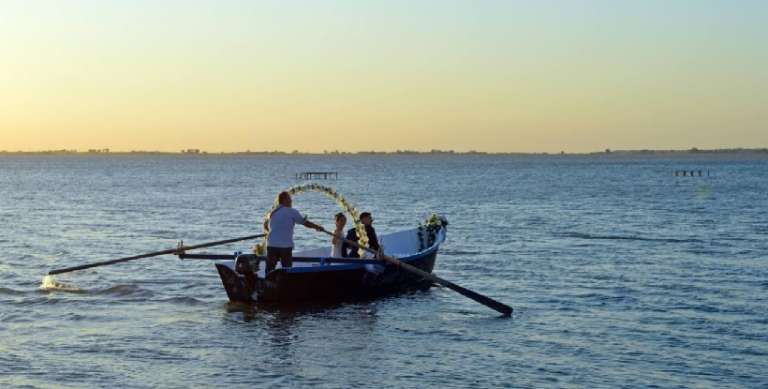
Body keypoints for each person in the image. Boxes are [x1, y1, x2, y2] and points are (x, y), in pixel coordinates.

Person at [264, 191, 323, 274]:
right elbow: (305, 223)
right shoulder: (291, 211)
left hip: (271, 244)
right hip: (285, 246)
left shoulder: (273, 212)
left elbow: (265, 226)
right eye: (289, 199)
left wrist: (271, 232)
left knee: (269, 270)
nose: (291, 201)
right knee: (287, 270)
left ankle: (268, 284)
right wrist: (317, 227)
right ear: (284, 200)